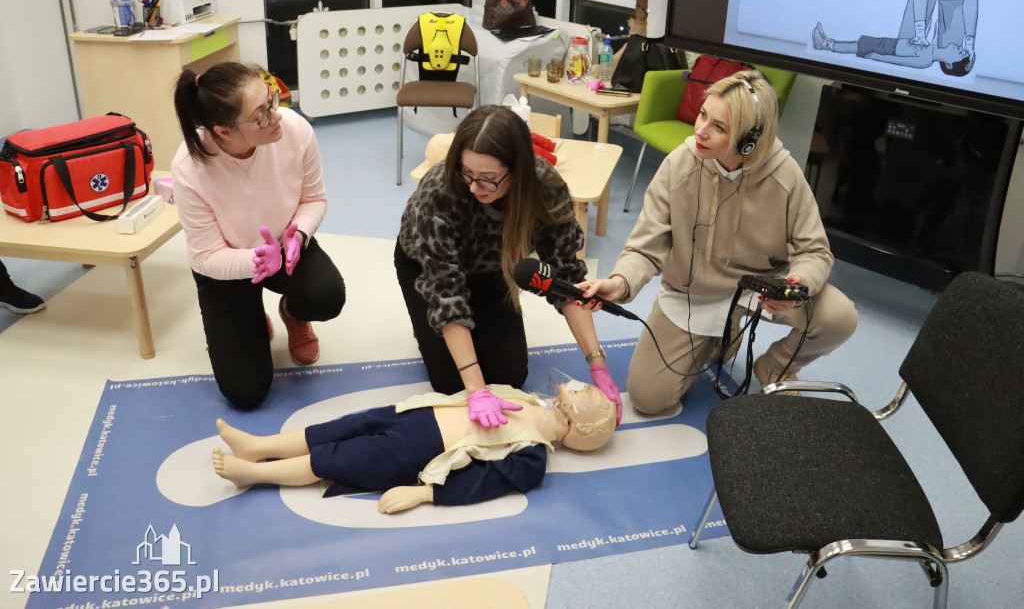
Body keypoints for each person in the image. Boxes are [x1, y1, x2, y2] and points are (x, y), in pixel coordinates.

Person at [580, 70, 858, 413]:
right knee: (647, 398)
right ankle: (718, 337)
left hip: (759, 290)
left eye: (719, 127)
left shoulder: (785, 175)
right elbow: (645, 245)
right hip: (693, 295)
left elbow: (814, 251)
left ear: (749, 141)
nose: (700, 130)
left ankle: (774, 368)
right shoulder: (679, 165)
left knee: (839, 317)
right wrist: (621, 281)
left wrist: (796, 284)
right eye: (703, 115)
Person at [394, 105, 622, 429]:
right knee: (453, 385)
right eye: (466, 172)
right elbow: (446, 293)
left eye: (489, 179)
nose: (474, 188)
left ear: (518, 170)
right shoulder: (439, 192)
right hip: (426, 269)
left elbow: (567, 278)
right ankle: (429, 330)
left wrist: (597, 363)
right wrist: (476, 389)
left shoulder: (545, 187)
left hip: (492, 269)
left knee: (509, 376)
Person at [172, 62, 346, 409]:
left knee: (326, 297)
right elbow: (206, 257)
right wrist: (254, 261)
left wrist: (300, 233)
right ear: (224, 131)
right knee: (246, 392)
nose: (276, 116)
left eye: (271, 99)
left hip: (285, 246)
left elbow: (314, 199)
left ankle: (292, 313)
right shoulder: (189, 168)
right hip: (225, 266)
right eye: (261, 115)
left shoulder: (295, 130)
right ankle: (250, 317)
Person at [212, 378, 616, 513]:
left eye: (566, 408)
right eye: (561, 398)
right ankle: (257, 446)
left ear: (578, 432)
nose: (556, 401)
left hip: (420, 451)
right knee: (337, 429)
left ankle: (254, 473)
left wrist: (425, 493)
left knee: (336, 458)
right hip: (415, 414)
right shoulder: (525, 399)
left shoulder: (531, 457)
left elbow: (483, 482)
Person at [812, 22, 971, 75]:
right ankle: (827, 42)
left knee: (857, 47)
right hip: (890, 44)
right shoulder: (930, 47)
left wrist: (878, 57)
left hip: (887, 50)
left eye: (960, 53)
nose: (959, 48)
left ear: (949, 64)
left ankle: (825, 45)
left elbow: (899, 61)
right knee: (857, 44)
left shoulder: (926, 61)